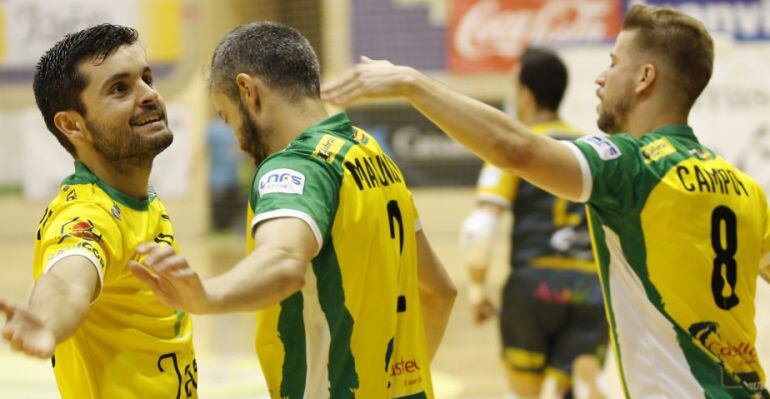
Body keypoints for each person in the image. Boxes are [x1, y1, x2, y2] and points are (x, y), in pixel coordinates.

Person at [322, 4, 770, 398]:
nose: (600, 76)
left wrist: (410, 81)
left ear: (644, 77)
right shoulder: (745, 188)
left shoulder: (632, 167)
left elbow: (515, 150)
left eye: (613, 63)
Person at [130, 21, 456, 399]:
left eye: (226, 116)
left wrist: (207, 295)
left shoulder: (294, 167)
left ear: (248, 91)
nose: (236, 141)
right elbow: (439, 292)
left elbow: (283, 259)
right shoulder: (372, 154)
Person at [0, 24, 197, 398]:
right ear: (72, 124)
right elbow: (68, 280)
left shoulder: (137, 197)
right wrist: (46, 322)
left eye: (147, 78)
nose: (149, 95)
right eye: (119, 88)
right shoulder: (88, 215)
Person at [459, 47, 607, 399]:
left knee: (524, 393)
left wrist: (478, 291)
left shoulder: (514, 149)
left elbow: (480, 227)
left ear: (524, 94)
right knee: (572, 385)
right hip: (589, 286)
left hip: (533, 286)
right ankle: (581, 380)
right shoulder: (594, 148)